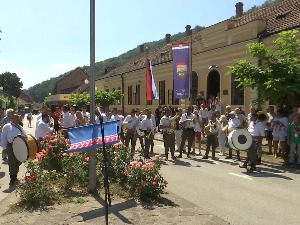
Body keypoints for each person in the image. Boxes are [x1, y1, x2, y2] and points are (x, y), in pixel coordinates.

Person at [1, 113, 26, 185]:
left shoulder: (20, 126)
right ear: (12, 118)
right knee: (12, 162)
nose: (18, 119)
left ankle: (15, 175)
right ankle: (13, 178)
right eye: (16, 117)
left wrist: (21, 136)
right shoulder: (7, 126)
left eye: (18, 117)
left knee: (19, 160)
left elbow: (25, 134)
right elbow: (3, 137)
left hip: (19, 146)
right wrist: (4, 148)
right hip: (10, 146)